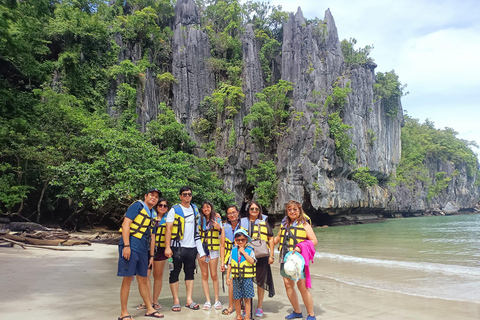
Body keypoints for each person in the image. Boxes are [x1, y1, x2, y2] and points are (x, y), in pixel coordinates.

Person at [117, 188, 164, 320]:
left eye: (156, 197)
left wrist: (151, 256)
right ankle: (124, 313)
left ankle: (150, 308)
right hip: (131, 245)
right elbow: (126, 225)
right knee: (127, 279)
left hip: (143, 249)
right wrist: (126, 246)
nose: (154, 198)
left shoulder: (153, 214)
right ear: (146, 196)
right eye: (151, 195)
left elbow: (152, 236)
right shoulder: (136, 206)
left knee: (143, 279)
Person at [164, 186, 206, 312]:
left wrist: (200, 250)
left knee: (190, 273)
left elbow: (197, 231)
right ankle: (176, 300)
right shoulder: (174, 210)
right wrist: (167, 247)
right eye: (184, 194)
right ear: (180, 196)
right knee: (174, 272)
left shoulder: (194, 209)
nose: (187, 196)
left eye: (189, 194)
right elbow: (168, 229)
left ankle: (189, 300)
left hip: (191, 247)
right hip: (176, 248)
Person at [274, 200, 318, 320]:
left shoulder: (304, 224)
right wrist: (265, 243)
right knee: (288, 285)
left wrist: (300, 246)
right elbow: (278, 238)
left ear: (299, 211)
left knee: (302, 287)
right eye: (289, 209)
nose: (292, 211)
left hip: (298, 260)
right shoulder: (284, 224)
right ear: (286, 211)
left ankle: (311, 314)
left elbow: (314, 241)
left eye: (295, 209)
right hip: (284, 259)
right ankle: (297, 311)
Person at [239, 201, 275, 318]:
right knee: (246, 281)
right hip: (246, 255)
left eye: (256, 209)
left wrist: (271, 255)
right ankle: (247, 306)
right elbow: (237, 237)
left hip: (261, 256)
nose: (254, 211)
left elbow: (270, 239)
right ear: (248, 210)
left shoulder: (264, 222)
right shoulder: (243, 222)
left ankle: (259, 307)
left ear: (259, 211)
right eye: (252, 209)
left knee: (260, 282)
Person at [135, 198, 169, 311]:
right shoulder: (150, 214)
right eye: (160, 205)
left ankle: (155, 301)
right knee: (146, 275)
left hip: (161, 249)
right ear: (156, 206)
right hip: (148, 249)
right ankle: (147, 300)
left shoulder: (169, 218)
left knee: (158, 276)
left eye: (165, 206)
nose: (162, 207)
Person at [226, 229, 256, 320]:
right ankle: (238, 316)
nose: (240, 242)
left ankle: (247, 317)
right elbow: (230, 264)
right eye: (238, 240)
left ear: (246, 240)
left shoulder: (250, 250)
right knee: (237, 298)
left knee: (247, 298)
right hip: (236, 278)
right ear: (235, 240)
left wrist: (243, 252)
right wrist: (228, 278)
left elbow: (252, 261)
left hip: (247, 278)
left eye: (242, 240)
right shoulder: (233, 251)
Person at [198, 201, 223, 310]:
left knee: (214, 275)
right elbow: (196, 235)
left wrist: (218, 227)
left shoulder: (217, 218)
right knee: (204, 275)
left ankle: (217, 300)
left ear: (211, 208)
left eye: (207, 207)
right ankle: (208, 300)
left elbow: (222, 234)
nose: (206, 209)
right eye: (203, 207)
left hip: (213, 250)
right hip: (202, 250)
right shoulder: (199, 219)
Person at [220, 205, 241, 316]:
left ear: (237, 213)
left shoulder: (243, 225)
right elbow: (222, 246)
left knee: (242, 280)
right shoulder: (225, 227)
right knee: (231, 282)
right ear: (227, 216)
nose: (232, 215)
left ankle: (240, 303)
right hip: (229, 257)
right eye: (229, 213)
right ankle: (231, 306)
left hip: (241, 257)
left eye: (234, 212)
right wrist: (222, 262)